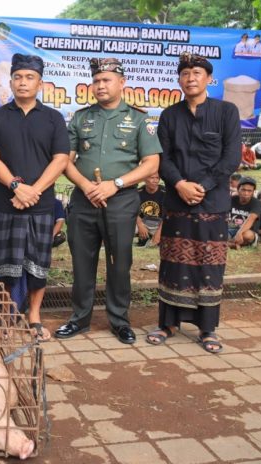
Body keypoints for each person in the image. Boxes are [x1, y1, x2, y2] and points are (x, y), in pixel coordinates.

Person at [55, 57, 161, 345]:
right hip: (84, 199)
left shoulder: (140, 120)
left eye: (106, 80)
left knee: (119, 262)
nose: (100, 85)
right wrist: (86, 185)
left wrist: (115, 185)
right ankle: (79, 319)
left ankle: (119, 320)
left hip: (121, 200)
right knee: (82, 261)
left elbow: (151, 163)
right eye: (97, 80)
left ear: (122, 83)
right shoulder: (80, 117)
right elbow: (65, 160)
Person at [149, 52, 241, 354]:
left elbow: (231, 157)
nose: (191, 78)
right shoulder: (169, 115)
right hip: (177, 200)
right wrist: (179, 184)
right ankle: (168, 324)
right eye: (185, 73)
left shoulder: (226, 111)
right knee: (173, 264)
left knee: (208, 266)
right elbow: (164, 157)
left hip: (211, 203)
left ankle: (207, 329)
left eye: (197, 73)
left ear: (209, 79)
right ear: (179, 79)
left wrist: (202, 186)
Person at [0, 53, 70, 341]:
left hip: (41, 204)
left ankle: (33, 315)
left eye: (29, 77)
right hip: (6, 202)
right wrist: (16, 187)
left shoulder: (53, 118)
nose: (23, 82)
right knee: (5, 263)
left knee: (38, 264)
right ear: (10, 82)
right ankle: (7, 314)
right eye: (18, 77)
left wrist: (33, 191)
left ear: (40, 83)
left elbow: (60, 160)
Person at [228, 176, 261, 249]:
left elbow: (251, 218)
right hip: (231, 229)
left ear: (253, 192)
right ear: (238, 189)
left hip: (247, 231)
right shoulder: (232, 199)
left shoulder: (256, 203)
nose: (246, 193)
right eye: (243, 190)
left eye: (249, 191)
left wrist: (239, 233)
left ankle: (229, 244)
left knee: (247, 235)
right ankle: (233, 245)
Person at [136, 172, 165, 246]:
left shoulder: (165, 192)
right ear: (145, 179)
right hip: (143, 222)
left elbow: (167, 215)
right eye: (152, 178)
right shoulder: (138, 192)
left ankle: (149, 238)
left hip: (159, 224)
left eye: (157, 178)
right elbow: (132, 211)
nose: (155, 180)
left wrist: (158, 233)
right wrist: (140, 225)